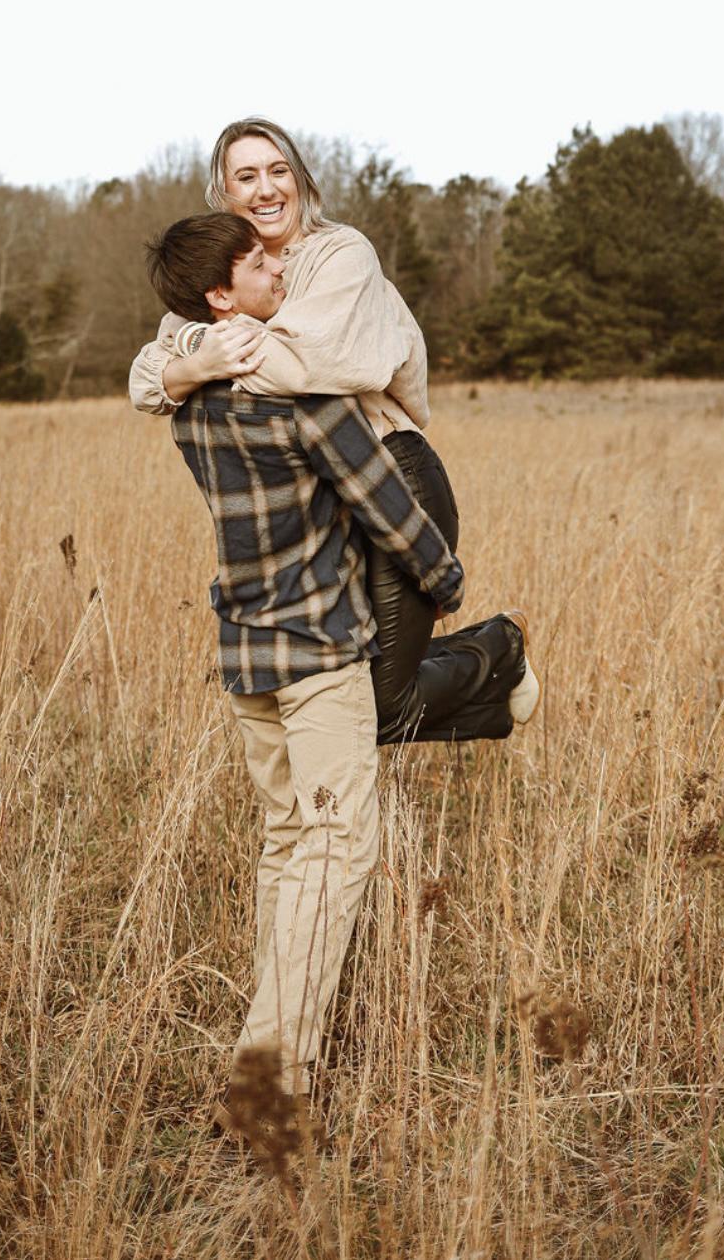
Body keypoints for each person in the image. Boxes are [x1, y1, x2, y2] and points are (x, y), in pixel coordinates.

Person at [142, 211, 529, 1100]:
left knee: (288, 842)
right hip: (318, 655)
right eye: (255, 265)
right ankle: (272, 1074)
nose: (275, 270)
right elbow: (386, 503)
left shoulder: (189, 404)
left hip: (245, 654)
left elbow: (161, 377)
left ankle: (266, 1038)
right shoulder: (303, 397)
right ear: (220, 294)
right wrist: (446, 577)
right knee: (336, 852)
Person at [131, 117, 540, 742]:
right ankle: (491, 702)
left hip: (389, 469)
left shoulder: (343, 255)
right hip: (318, 496)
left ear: (300, 179)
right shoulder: (231, 270)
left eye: (278, 170)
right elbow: (145, 378)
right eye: (247, 176)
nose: (266, 189)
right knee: (342, 689)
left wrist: (205, 355)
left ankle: (498, 645)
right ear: (224, 194)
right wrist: (196, 358)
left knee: (371, 706)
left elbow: (305, 366)